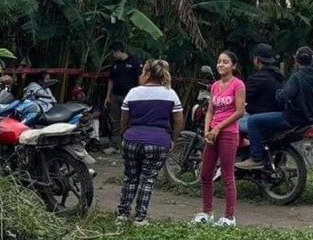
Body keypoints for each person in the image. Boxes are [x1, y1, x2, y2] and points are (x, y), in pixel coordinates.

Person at [236, 46, 313, 170]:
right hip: (309, 120)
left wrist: (279, 93)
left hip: (291, 118)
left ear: (296, 61)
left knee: (253, 121)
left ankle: (255, 158)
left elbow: (284, 96)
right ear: (312, 61)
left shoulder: (297, 76)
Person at [117, 59, 184, 226]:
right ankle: (140, 217)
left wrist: (124, 135)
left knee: (130, 178)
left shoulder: (133, 93)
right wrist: (172, 140)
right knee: (147, 180)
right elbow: (178, 121)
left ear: (147, 74)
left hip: (131, 140)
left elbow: (124, 119)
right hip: (158, 142)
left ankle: (122, 214)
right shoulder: (170, 94)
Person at [193, 51, 246, 227]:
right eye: (219, 62)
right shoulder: (215, 86)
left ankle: (229, 217)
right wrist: (208, 130)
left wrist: (218, 128)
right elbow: (210, 110)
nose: (221, 65)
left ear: (234, 66)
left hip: (228, 133)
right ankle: (207, 212)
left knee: (227, 174)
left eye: (226, 62)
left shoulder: (238, 85)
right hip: (213, 134)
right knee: (206, 173)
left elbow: (239, 112)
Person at [104, 42, 142, 147]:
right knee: (114, 119)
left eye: (113, 53)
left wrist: (140, 94)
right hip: (116, 95)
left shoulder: (134, 62)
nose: (113, 55)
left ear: (119, 52)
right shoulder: (115, 64)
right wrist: (108, 95)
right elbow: (111, 80)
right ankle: (116, 143)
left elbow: (140, 78)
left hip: (130, 96)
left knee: (128, 119)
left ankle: (129, 141)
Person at [240, 43, 284, 134]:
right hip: (276, 118)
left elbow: (242, 96)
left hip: (260, 119)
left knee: (227, 124)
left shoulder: (257, 78)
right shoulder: (278, 75)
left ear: (257, 59)